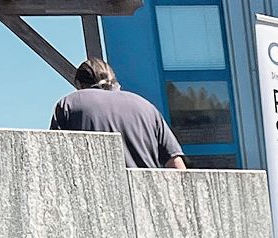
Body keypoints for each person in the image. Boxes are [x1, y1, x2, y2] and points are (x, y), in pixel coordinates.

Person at [50, 58, 186, 170]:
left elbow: (55, 160)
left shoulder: (68, 104)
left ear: (79, 84)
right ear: (113, 79)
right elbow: (175, 163)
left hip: (95, 194)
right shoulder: (146, 107)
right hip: (147, 196)